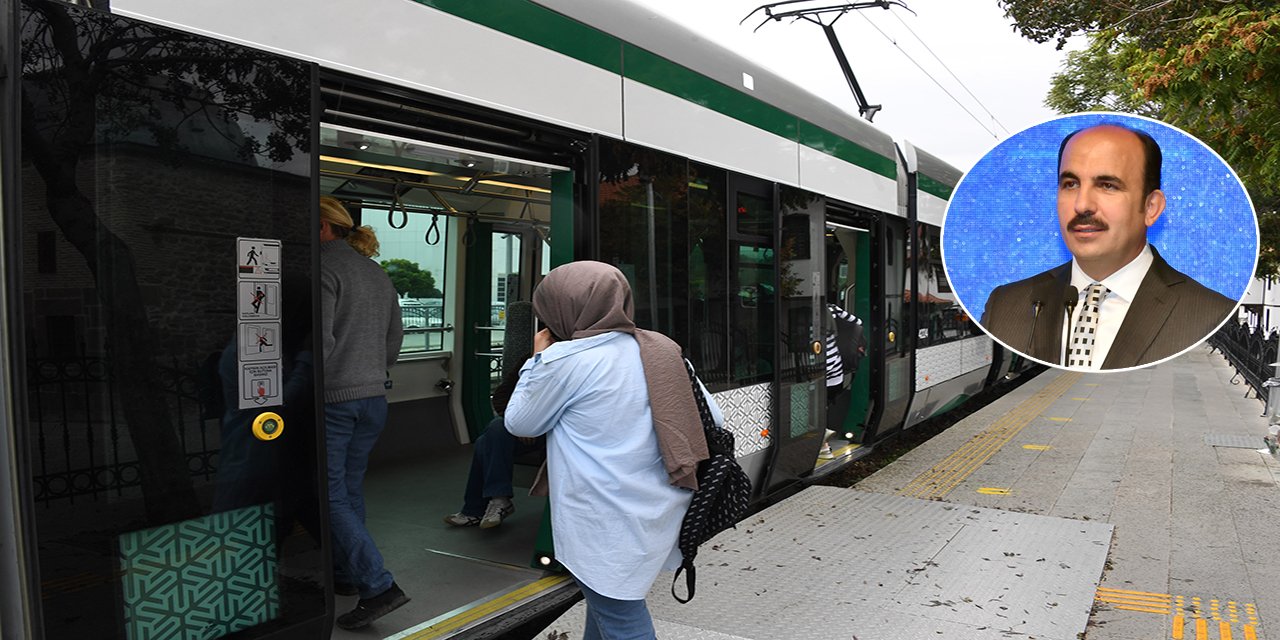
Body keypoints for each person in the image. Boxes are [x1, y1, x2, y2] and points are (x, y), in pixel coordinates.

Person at [504, 261, 719, 640]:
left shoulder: (566, 360)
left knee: (620, 615)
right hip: (660, 506)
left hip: (601, 517)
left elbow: (520, 423)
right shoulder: (662, 348)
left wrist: (536, 359)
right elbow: (711, 419)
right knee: (606, 600)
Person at [981, 124, 1236, 370]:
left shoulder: (1211, 316)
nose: (1082, 205)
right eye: (1070, 184)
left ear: (1151, 208)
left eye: (1107, 186)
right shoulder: (1005, 305)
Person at [318, 196, 409, 630]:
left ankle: (377, 585)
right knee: (349, 491)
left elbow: (320, 346)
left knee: (329, 494)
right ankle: (348, 574)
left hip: (335, 399)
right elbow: (394, 339)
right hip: (374, 398)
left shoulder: (324, 268)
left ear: (322, 227)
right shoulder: (376, 273)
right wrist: (370, 370)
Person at [443, 354, 542, 529]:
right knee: (495, 429)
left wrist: (532, 424)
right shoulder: (530, 359)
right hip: (523, 426)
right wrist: (518, 422)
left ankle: (475, 509)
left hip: (552, 429)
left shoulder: (571, 361)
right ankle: (498, 499)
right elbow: (501, 396)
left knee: (483, 443)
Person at [821, 302, 864, 458]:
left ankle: (822, 444)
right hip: (836, 369)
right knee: (825, 406)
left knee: (817, 409)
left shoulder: (806, 310)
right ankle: (824, 442)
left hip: (821, 369)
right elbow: (857, 322)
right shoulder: (831, 307)